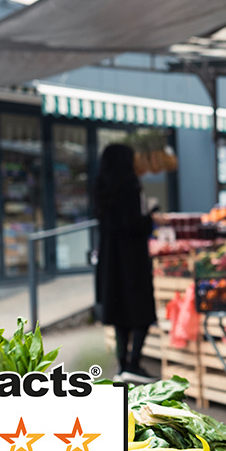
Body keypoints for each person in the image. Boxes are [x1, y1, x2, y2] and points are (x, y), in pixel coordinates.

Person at [93, 143, 158, 380]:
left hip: (110, 259)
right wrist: (149, 217)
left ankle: (122, 365)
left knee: (119, 312)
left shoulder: (101, 189)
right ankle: (134, 362)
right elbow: (133, 223)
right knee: (141, 311)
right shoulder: (130, 187)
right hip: (132, 259)